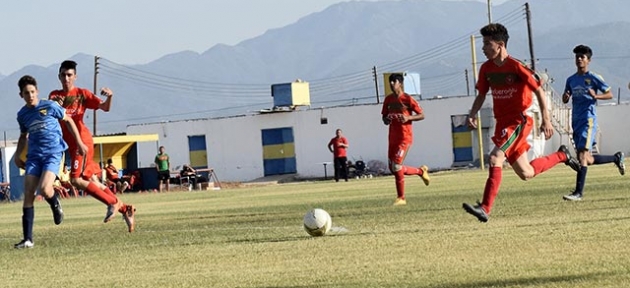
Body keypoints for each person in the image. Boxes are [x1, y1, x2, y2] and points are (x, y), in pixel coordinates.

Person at [462, 23, 581, 222]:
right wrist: (472, 114)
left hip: (517, 122)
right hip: (502, 124)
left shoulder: (516, 67)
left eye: (486, 43)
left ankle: (485, 208)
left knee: (495, 158)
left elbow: (539, 91)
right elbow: (481, 94)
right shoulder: (486, 69)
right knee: (527, 172)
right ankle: (562, 155)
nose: (482, 48)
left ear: (499, 45)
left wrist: (546, 119)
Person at [49, 60, 136, 232]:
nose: (66, 78)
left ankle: (112, 202)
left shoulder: (82, 94)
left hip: (82, 143)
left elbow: (104, 107)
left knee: (75, 179)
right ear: (59, 76)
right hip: (71, 146)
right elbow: (51, 114)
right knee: (91, 181)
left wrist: (110, 96)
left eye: (69, 75)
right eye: (63, 75)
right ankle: (126, 209)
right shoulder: (54, 96)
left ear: (75, 77)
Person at [14, 75, 87, 249]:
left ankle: (55, 203)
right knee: (29, 192)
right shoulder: (22, 115)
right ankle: (28, 239)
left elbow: (68, 120)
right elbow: (24, 136)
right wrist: (18, 155)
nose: (30, 95)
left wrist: (79, 142)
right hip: (34, 157)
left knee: (46, 190)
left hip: (53, 154)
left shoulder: (50, 106)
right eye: (26, 93)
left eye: (32, 92)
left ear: (37, 91)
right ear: (21, 95)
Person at [561, 45, 626, 201]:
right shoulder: (571, 79)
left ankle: (578, 193)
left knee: (582, 156)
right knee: (586, 159)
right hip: (575, 121)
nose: (579, 59)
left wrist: (596, 96)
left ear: (588, 60)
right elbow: (565, 99)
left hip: (588, 120)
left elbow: (609, 94)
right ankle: (616, 158)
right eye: (577, 56)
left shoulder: (594, 78)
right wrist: (566, 96)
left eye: (582, 57)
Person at [381, 73, 430, 206]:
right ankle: (420, 171)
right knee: (393, 168)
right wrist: (387, 119)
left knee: (397, 166)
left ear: (400, 83)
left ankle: (401, 198)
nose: (391, 84)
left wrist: (409, 118)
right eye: (390, 81)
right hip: (392, 138)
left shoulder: (408, 99)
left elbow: (422, 115)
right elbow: (384, 118)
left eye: (394, 81)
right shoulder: (388, 100)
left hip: (404, 137)